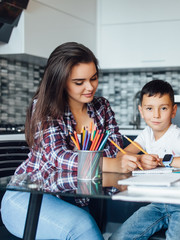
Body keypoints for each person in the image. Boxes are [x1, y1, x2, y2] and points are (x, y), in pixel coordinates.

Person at [1, 42, 139, 239]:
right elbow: (58, 158)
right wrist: (109, 162)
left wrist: (93, 158)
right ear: (60, 82)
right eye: (79, 82)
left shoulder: (102, 107)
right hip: (28, 197)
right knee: (83, 228)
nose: (90, 87)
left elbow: (114, 150)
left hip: (74, 199)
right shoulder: (43, 107)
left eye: (94, 78)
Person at [110, 79, 180, 240]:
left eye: (163, 108)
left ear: (173, 110)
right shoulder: (146, 134)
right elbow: (120, 156)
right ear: (141, 111)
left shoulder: (176, 136)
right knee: (118, 238)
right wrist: (141, 158)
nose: (156, 115)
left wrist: (165, 160)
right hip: (158, 205)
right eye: (149, 109)